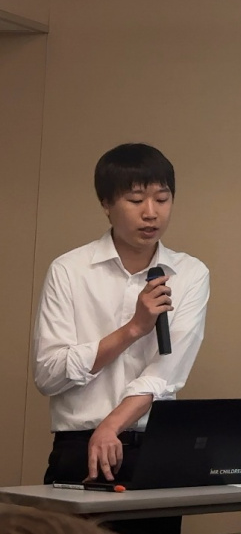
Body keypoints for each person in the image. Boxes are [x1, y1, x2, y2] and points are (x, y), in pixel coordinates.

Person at [31, 143, 209, 507]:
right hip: (79, 448)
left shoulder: (190, 273)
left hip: (154, 447)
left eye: (162, 199)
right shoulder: (69, 270)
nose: (151, 213)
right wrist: (133, 329)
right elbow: (48, 375)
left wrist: (111, 425)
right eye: (135, 200)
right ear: (106, 204)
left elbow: (167, 373)